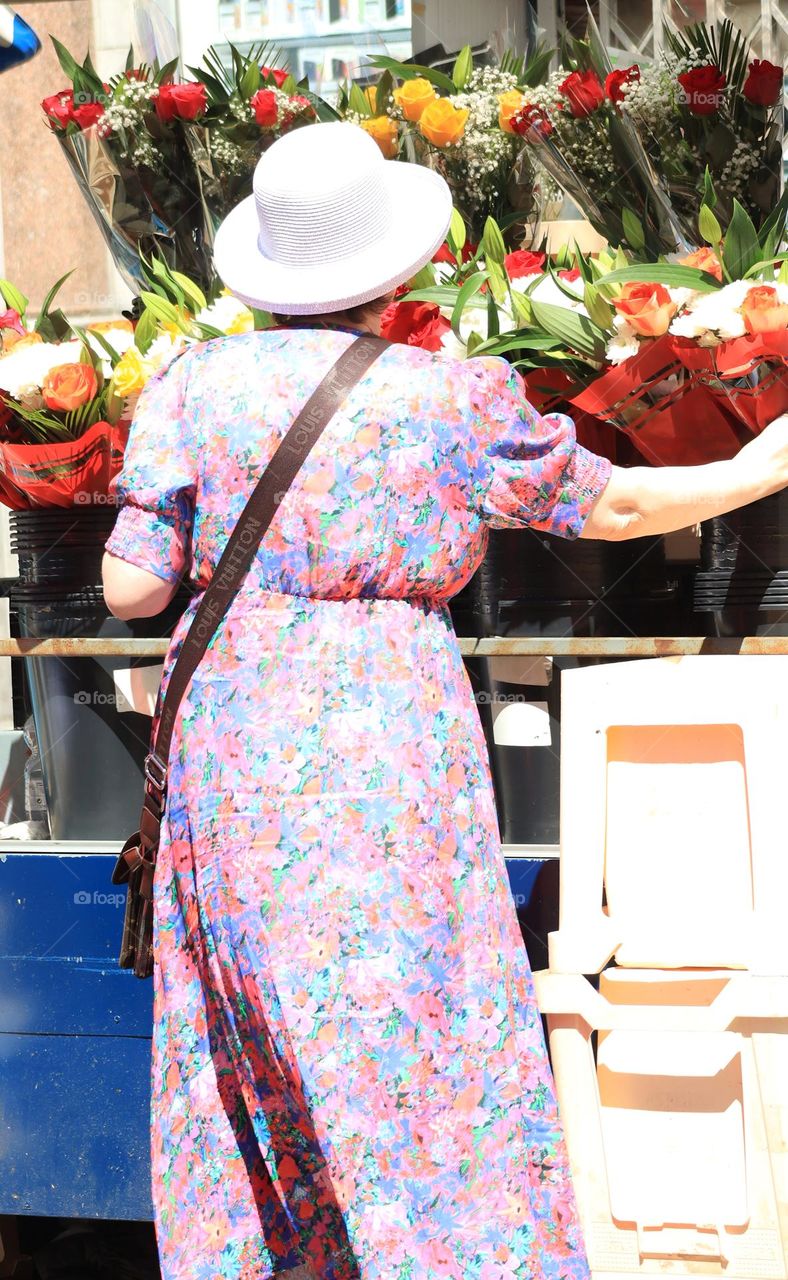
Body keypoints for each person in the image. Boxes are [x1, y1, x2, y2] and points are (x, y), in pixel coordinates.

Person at [103, 123, 788, 1280]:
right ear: (397, 270)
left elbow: (129, 587)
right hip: (386, 739)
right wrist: (758, 466)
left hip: (231, 740)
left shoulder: (190, 386)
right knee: (417, 1032)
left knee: (251, 1043)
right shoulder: (446, 399)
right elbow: (609, 507)